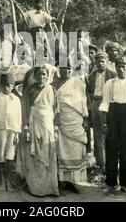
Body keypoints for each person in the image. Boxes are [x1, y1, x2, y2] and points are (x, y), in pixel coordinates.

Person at [99, 56, 126, 195]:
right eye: (119, 66)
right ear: (115, 67)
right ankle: (110, 183)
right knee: (111, 150)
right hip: (112, 114)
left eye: (124, 66)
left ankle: (125, 183)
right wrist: (105, 123)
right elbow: (105, 103)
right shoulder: (109, 83)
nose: (122, 69)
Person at [17, 66, 60, 197]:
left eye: (44, 74)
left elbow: (57, 110)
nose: (42, 77)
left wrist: (56, 128)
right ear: (35, 77)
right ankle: (35, 187)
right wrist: (25, 126)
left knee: (49, 151)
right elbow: (25, 108)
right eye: (39, 74)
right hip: (34, 122)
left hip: (48, 124)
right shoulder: (31, 90)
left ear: (48, 76)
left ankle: (50, 187)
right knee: (34, 153)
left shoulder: (52, 89)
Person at [54, 64, 88, 194]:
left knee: (75, 149)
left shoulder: (78, 83)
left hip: (76, 120)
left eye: (69, 69)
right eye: (64, 68)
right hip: (62, 121)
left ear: (72, 70)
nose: (66, 71)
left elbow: (83, 101)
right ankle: (60, 181)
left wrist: (85, 118)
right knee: (61, 150)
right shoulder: (54, 84)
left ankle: (71, 182)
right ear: (59, 70)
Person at [0, 74, 22, 192]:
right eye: (5, 86)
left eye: (9, 86)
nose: (7, 88)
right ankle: (2, 180)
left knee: (10, 155)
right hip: (0, 130)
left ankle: (9, 180)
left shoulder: (16, 99)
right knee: (0, 155)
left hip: (12, 130)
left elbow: (18, 117)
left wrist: (17, 133)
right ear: (1, 86)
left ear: (13, 87)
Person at [85, 51, 116, 169]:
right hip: (95, 102)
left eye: (103, 61)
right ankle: (101, 164)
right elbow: (89, 91)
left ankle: (110, 162)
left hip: (107, 104)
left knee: (108, 132)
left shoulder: (112, 75)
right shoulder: (91, 77)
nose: (101, 64)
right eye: (98, 61)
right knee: (97, 134)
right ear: (95, 63)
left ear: (107, 62)